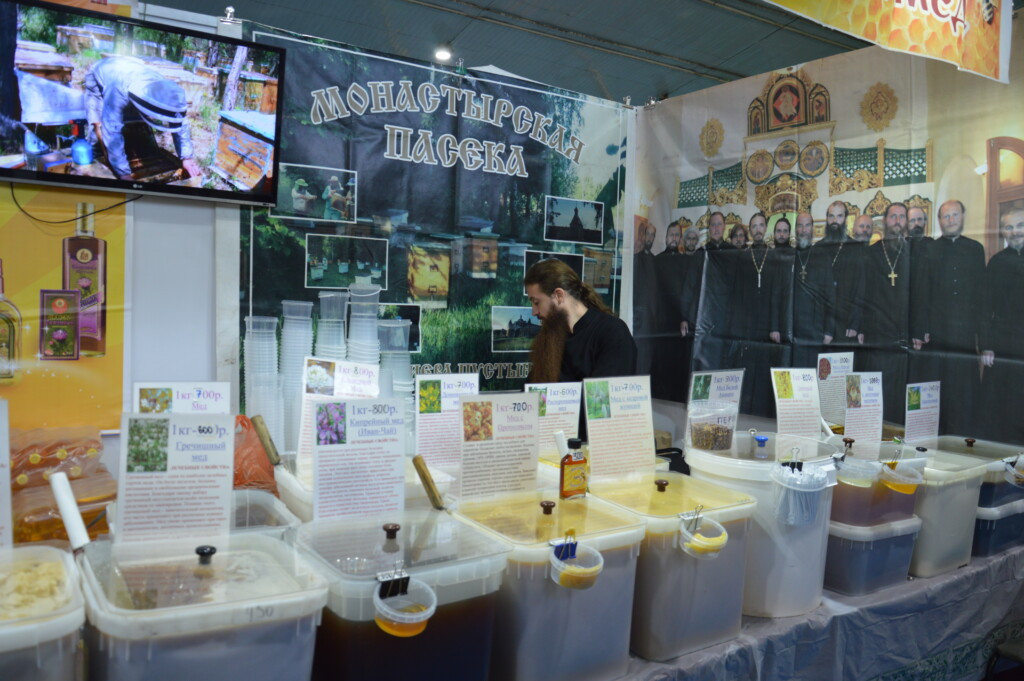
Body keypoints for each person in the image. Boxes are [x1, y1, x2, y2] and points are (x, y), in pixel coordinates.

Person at [525, 259, 637, 437]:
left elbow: (600, 405)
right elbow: (533, 392)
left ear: (559, 295)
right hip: (555, 441)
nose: (534, 312)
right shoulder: (551, 337)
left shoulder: (612, 332)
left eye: (536, 302)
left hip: (597, 442)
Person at [923, 200, 985, 434]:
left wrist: (982, 336)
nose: (950, 220)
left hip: (966, 331)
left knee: (965, 387)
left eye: (954, 215)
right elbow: (924, 291)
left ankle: (965, 434)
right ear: (940, 220)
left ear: (963, 216)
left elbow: (981, 292)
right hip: (937, 330)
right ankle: (940, 432)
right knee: (939, 385)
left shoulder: (975, 249)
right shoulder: (930, 249)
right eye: (946, 216)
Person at [862, 202, 928, 423]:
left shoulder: (915, 253)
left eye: (902, 217)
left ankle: (899, 427)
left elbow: (921, 293)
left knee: (903, 384)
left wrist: (918, 329)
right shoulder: (872, 253)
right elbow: (863, 292)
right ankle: (875, 426)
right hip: (877, 329)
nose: (898, 221)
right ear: (885, 221)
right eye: (893, 216)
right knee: (878, 381)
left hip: (904, 328)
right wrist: (861, 327)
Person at [83, 56, 200, 181]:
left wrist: (186, 157)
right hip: (101, 77)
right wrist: (123, 173)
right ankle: (91, 166)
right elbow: (111, 129)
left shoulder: (165, 90)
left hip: (128, 77)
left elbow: (179, 122)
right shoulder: (118, 92)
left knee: (135, 129)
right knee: (98, 131)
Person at [980, 207, 1024, 444]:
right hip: (1003, 342)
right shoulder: (996, 262)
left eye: (1020, 225)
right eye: (1009, 227)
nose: (1015, 231)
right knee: (1004, 403)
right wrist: (986, 345)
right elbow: (985, 306)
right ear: (1003, 232)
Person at [817, 201, 866, 349]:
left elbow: (861, 289)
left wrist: (855, 323)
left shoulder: (856, 248)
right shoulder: (818, 248)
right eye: (831, 216)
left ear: (845, 219)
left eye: (839, 216)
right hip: (821, 321)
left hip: (846, 321)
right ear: (826, 218)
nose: (834, 221)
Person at [791, 212, 836, 368]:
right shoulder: (790, 256)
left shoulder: (822, 256)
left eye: (807, 225)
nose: (803, 230)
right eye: (800, 226)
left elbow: (830, 295)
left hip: (816, 328)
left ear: (812, 228)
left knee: (813, 373)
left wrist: (829, 330)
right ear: (796, 229)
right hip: (793, 328)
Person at [652, 222, 689, 401]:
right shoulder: (656, 260)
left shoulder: (685, 261)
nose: (673, 238)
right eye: (671, 235)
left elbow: (686, 292)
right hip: (660, 320)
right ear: (666, 238)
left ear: (680, 238)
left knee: (678, 362)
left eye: (676, 235)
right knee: (661, 361)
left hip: (679, 321)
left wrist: (684, 316)